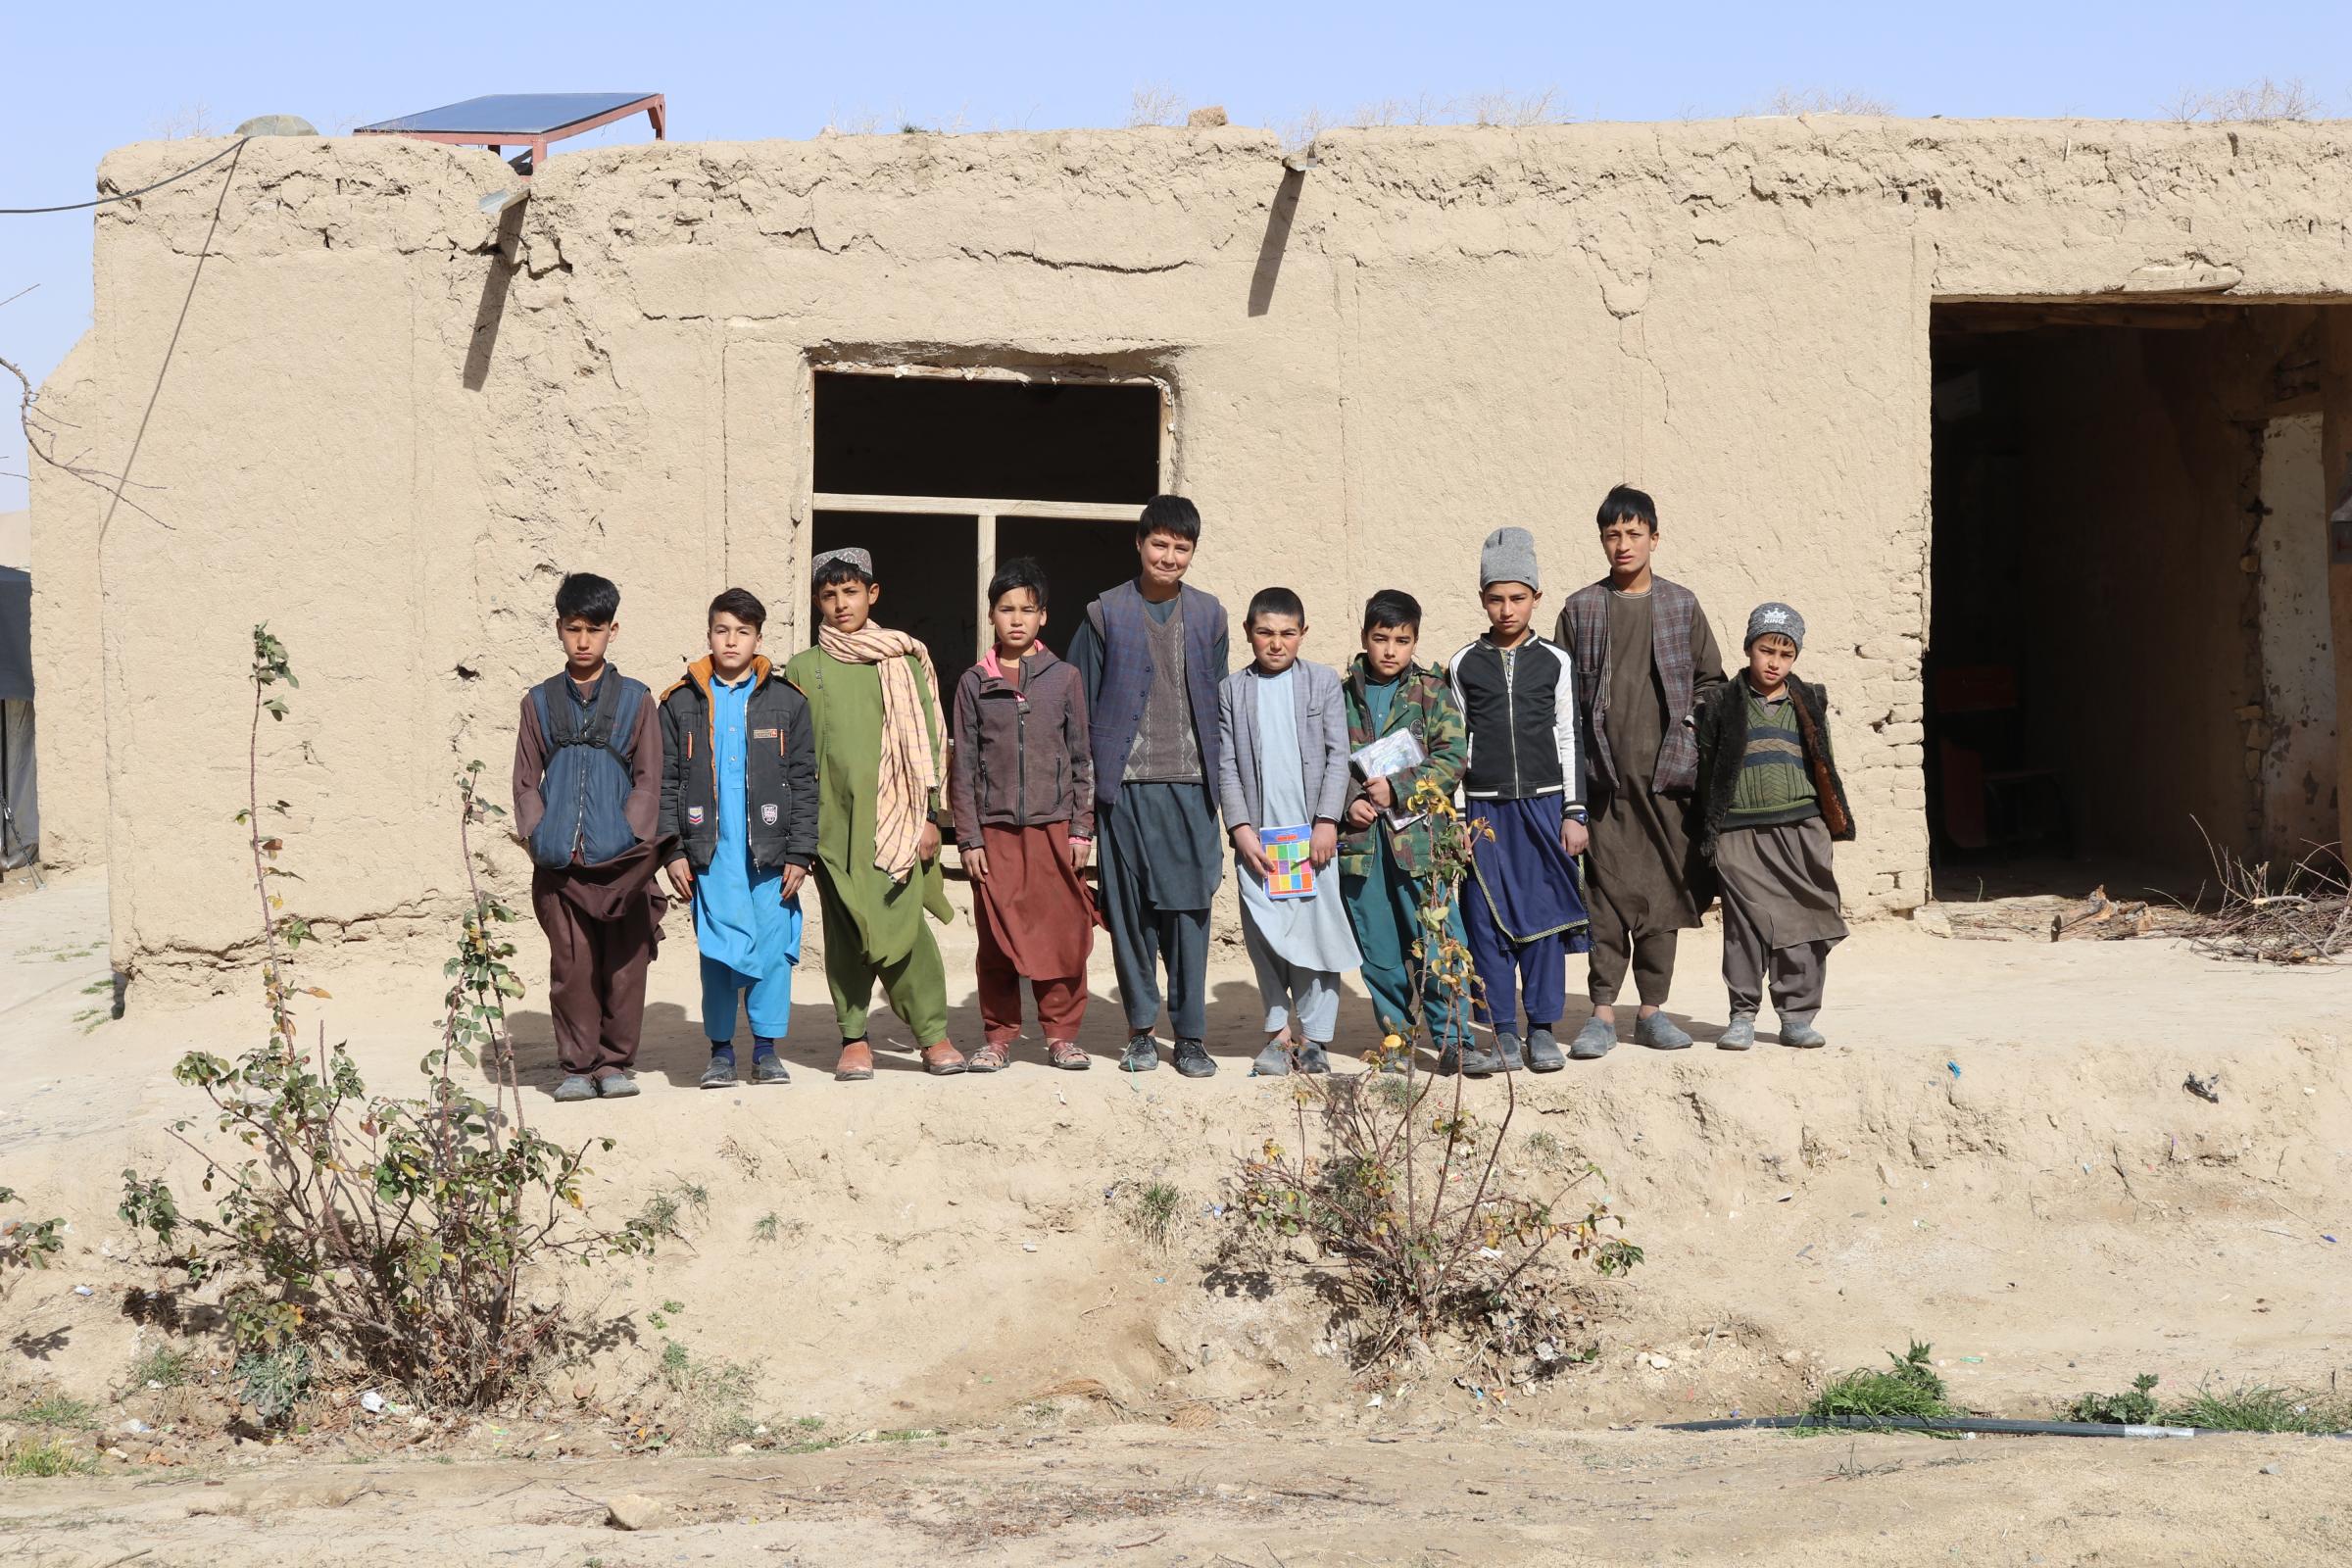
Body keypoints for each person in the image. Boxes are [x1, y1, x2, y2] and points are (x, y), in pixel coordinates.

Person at [1553, 484, 1727, 1059]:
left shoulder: (1681, 605)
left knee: (1662, 897)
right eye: (1612, 535)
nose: (1622, 545)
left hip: (1667, 785)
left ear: (1655, 537)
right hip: (1603, 784)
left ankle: (1652, 1011)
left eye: (1633, 534)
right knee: (1604, 899)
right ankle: (1601, 1013)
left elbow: (1711, 682)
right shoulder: (1581, 609)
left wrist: (1690, 734)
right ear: (1601, 540)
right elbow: (1560, 701)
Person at [782, 548, 962, 1081]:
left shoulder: (902, 662)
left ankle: (932, 1035)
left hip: (899, 821)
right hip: (831, 825)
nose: (841, 605)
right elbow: (794, 754)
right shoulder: (803, 668)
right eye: (829, 595)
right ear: (818, 601)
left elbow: (931, 742)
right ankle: (855, 1036)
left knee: (905, 928)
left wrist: (931, 817)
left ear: (873, 594)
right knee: (846, 931)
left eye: (851, 592)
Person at [1067, 496, 1230, 1078]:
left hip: (1190, 789)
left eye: (1181, 547)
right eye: (1159, 544)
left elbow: (1218, 704)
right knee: (1130, 914)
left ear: (1192, 552)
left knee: (1188, 915)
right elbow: (1079, 711)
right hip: (1124, 790)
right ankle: (1140, 1031)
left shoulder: (1210, 616)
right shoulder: (1104, 613)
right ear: (1139, 544)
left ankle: (1189, 1036)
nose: (1169, 556)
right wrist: (1081, 810)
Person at [511, 571, 668, 1102]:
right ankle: (577, 1066)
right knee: (572, 967)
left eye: (594, 630)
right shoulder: (537, 702)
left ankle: (615, 1063)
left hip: (623, 860)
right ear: (558, 629)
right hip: (561, 862)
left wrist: (631, 833)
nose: (584, 641)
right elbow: (526, 779)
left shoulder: (637, 699)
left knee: (624, 966)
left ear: (613, 631)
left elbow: (650, 777)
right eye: (574, 629)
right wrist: (538, 832)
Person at [1445, 528, 1591, 1075]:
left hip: (1545, 806)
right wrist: (1459, 816)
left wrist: (1574, 811)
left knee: (1544, 915)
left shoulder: (1555, 661)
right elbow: (1456, 746)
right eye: (1496, 597)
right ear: (1482, 599)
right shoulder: (1463, 665)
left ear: (1536, 597)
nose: (1507, 609)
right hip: (1484, 813)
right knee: (1486, 920)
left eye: (1518, 597)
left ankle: (1544, 1029)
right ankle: (1504, 1031)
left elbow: (1570, 736)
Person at [658, 587, 815, 1090]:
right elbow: (666, 782)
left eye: (742, 632)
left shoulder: (787, 702)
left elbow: (807, 781)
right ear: (708, 635)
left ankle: (766, 1052)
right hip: (710, 854)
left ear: (758, 639)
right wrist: (674, 849)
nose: (731, 641)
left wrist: (800, 851)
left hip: (770, 855)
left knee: (771, 949)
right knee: (718, 953)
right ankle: (721, 1053)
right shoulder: (680, 702)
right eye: (722, 630)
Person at [950, 557, 1098, 1072]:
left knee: (1061, 935)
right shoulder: (974, 682)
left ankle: (1061, 1036)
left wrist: (1082, 828)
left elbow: (1082, 757)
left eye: (1026, 609)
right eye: (1005, 609)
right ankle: (997, 1037)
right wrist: (968, 838)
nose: (1016, 619)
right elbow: (962, 766)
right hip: (995, 833)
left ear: (1043, 617)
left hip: (1054, 828)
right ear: (991, 615)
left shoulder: (1065, 678)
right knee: (997, 939)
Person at [1692, 603, 1853, 1050]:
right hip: (1739, 833)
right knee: (1745, 926)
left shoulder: (1809, 701)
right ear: (1749, 649)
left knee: (1803, 922)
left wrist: (1827, 826)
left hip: (1801, 828)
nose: (1774, 662)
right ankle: (1742, 1015)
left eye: (1785, 654)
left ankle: (1797, 1015)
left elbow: (1826, 766)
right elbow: (1705, 769)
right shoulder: (1723, 703)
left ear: (1795, 657)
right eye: (1766, 650)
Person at [1217, 587, 1361, 1076]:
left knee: (1316, 936)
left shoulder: (1322, 683)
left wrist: (1326, 821)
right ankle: (1279, 1036)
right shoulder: (1232, 690)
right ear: (1249, 634)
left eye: (1287, 633)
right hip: (1260, 841)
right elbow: (1228, 766)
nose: (1276, 644)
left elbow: (1338, 755)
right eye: (1265, 633)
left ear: (1303, 634)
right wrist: (1239, 829)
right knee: (1266, 936)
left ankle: (1316, 1038)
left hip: (1311, 839)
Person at [1338, 590, 1473, 1068]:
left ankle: (1455, 1039)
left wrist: (1398, 788)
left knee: (1438, 938)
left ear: (1415, 640)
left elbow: (1454, 757)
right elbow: (1323, 766)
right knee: (1380, 949)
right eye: (1381, 639)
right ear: (1364, 638)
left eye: (1402, 639)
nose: (1391, 650)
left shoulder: (1431, 693)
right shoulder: (1340, 696)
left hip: (1421, 843)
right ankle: (1397, 1039)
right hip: (1361, 846)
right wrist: (1349, 802)